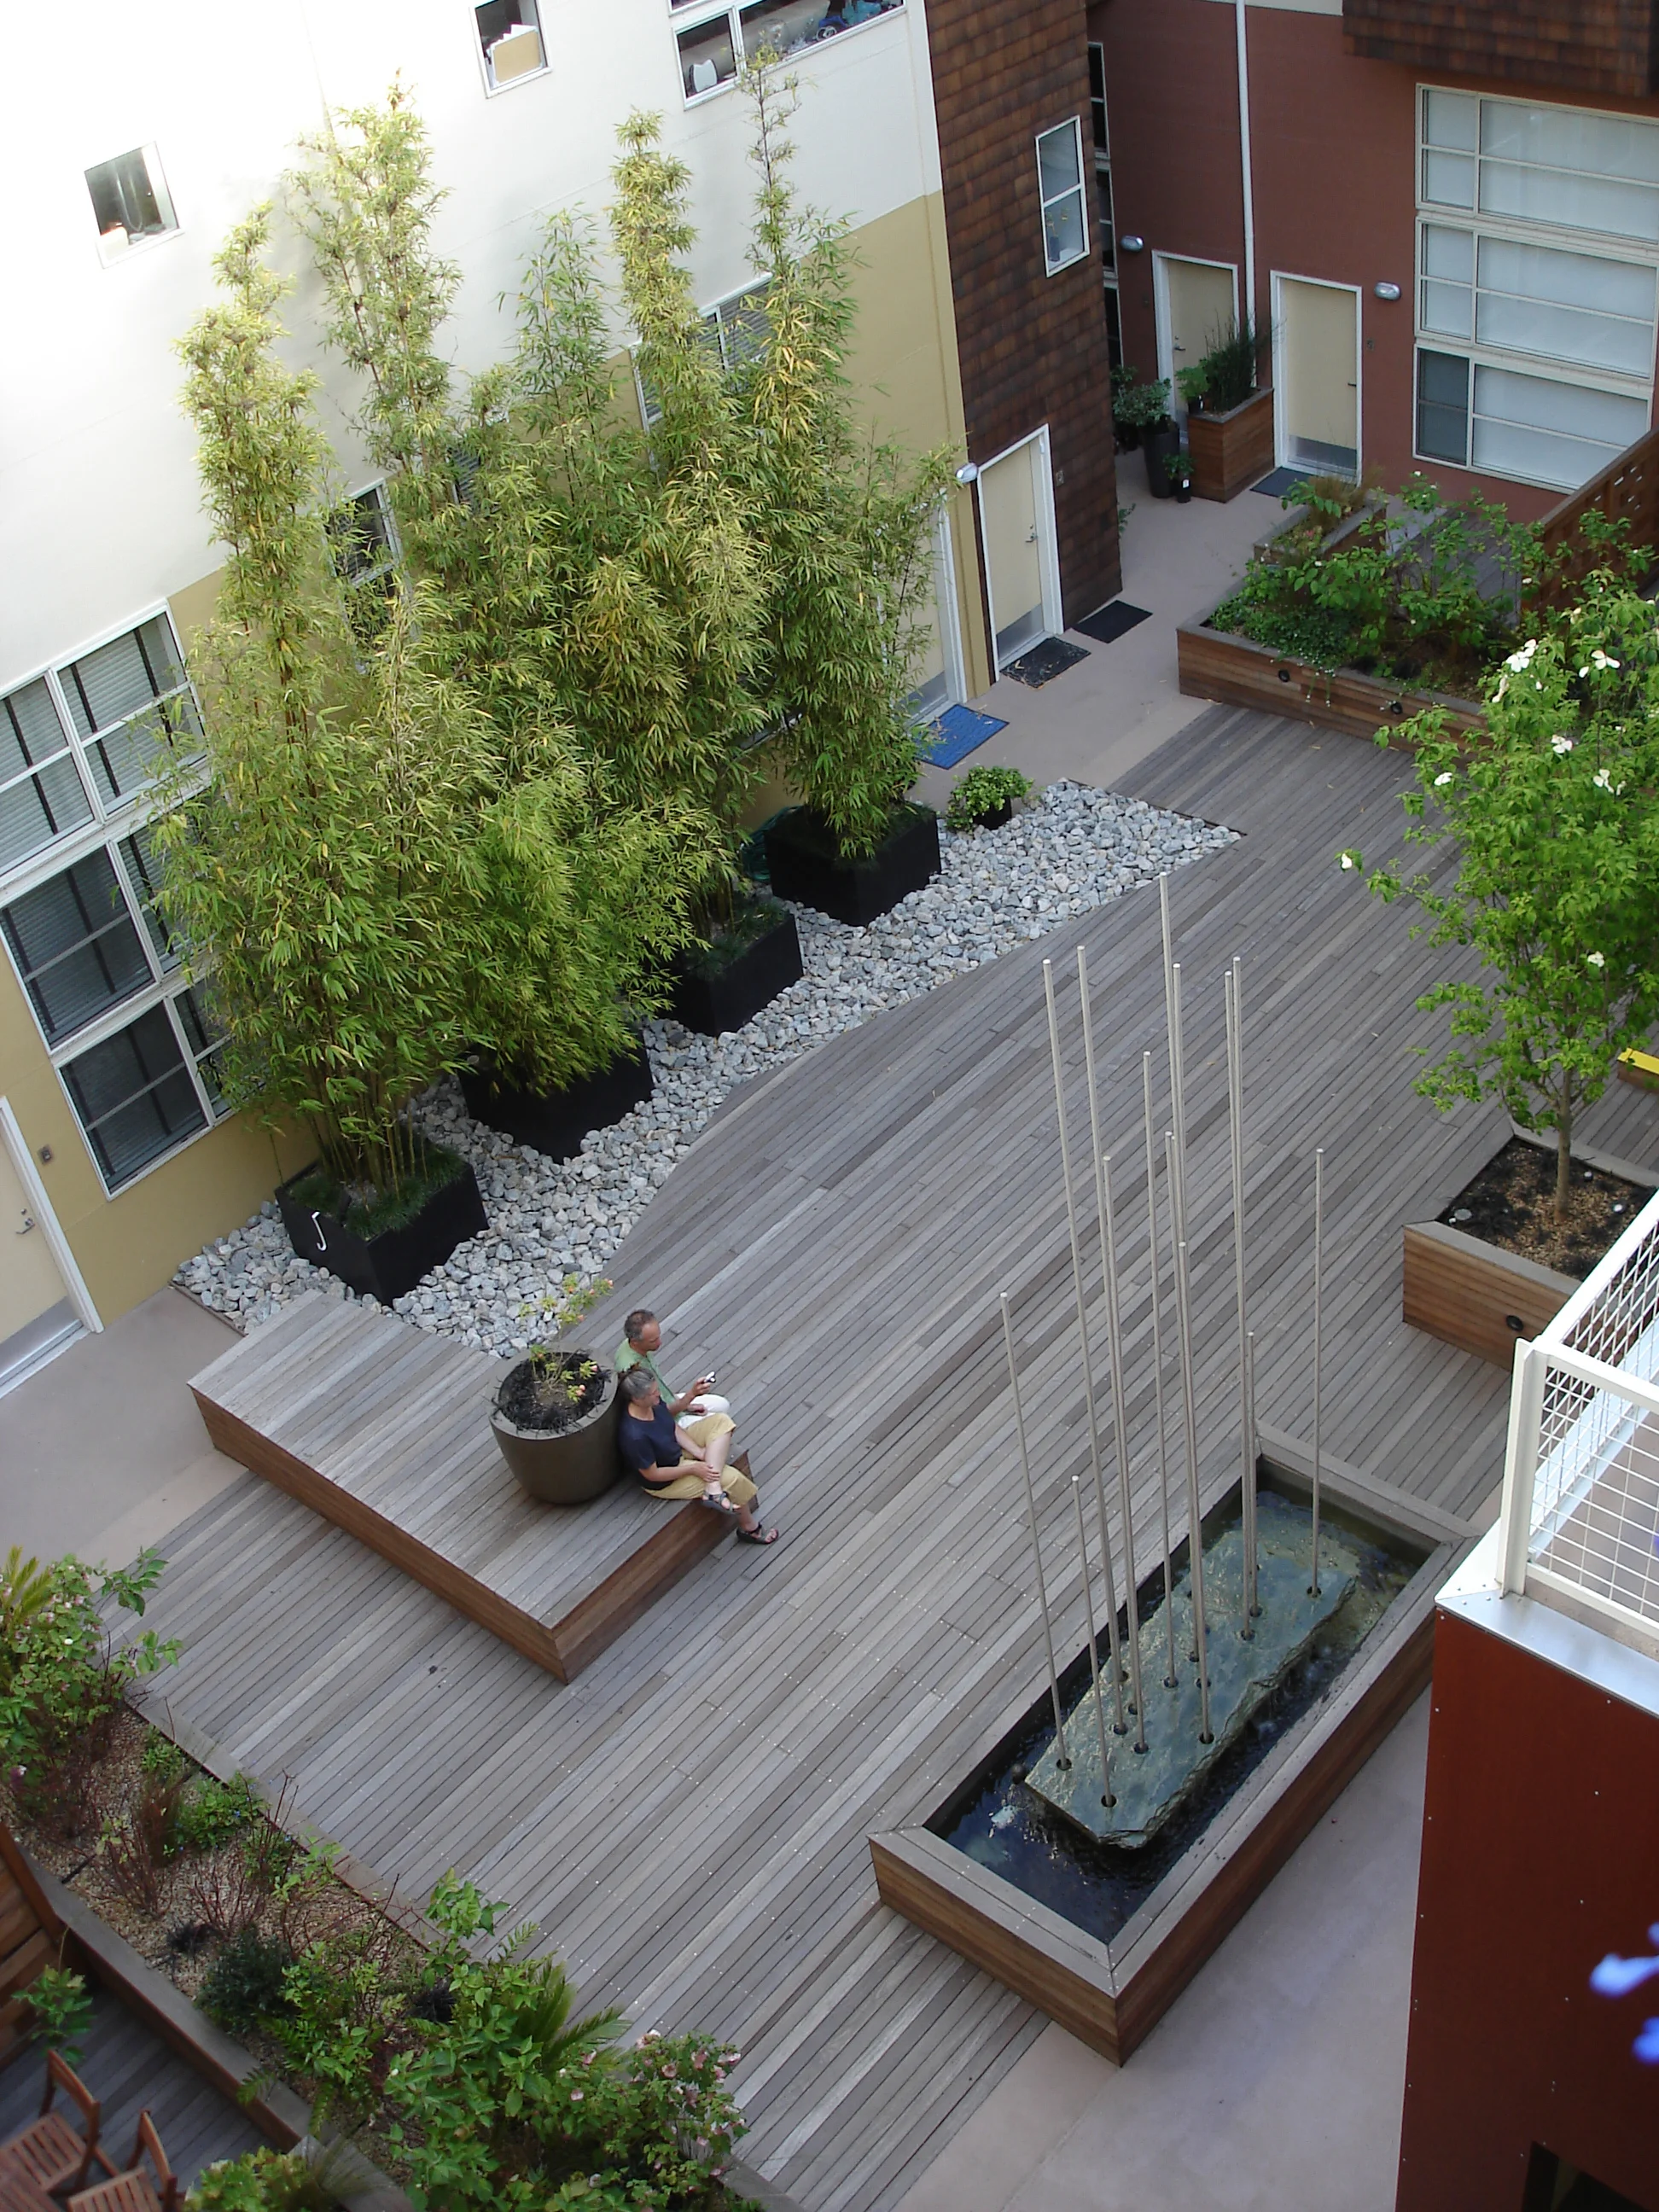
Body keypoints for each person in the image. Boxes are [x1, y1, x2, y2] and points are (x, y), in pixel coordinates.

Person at [616, 1371, 778, 1546]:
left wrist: (699, 1452)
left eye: (656, 1389)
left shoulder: (652, 1404)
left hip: (674, 1449)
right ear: (637, 1399)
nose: (658, 1394)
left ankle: (713, 1489)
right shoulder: (634, 1436)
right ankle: (749, 1529)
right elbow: (653, 1475)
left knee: (721, 1421)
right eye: (653, 1393)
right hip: (667, 1477)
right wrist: (693, 1468)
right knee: (732, 1478)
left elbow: (671, 1426)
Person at [614, 1309, 729, 1432]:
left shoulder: (634, 1346)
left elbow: (661, 1391)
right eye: (653, 1341)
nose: (660, 1342)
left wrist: (686, 1406)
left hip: (670, 1401)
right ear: (636, 1342)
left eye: (658, 1336)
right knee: (721, 1423)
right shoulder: (632, 1370)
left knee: (723, 1404)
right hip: (668, 1421)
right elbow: (659, 1413)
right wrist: (691, 1395)